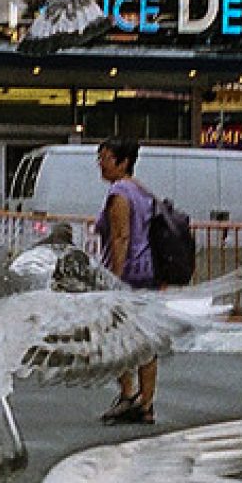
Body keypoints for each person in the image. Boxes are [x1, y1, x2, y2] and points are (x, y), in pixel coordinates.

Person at [94, 137, 157, 425]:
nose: (100, 163)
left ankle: (129, 395)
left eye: (106, 157)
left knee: (116, 337)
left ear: (123, 162)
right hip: (147, 272)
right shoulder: (142, 191)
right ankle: (146, 401)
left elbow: (121, 237)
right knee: (145, 338)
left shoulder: (119, 193)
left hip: (128, 274)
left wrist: (114, 279)